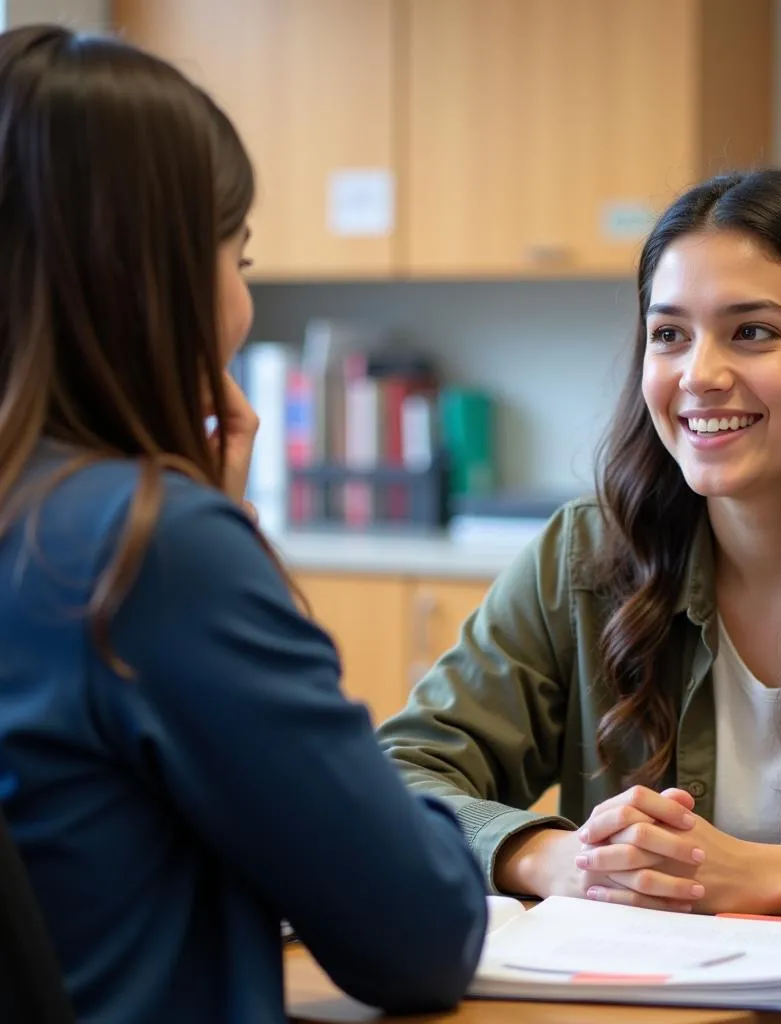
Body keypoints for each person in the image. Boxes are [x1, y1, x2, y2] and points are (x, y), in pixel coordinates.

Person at [378, 167, 781, 1018]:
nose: (700, 375)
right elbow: (395, 777)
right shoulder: (586, 555)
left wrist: (771, 874)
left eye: (753, 332)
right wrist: (546, 857)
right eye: (670, 334)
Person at [0, 23, 487, 1024]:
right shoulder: (148, 548)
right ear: (159, 274)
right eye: (240, 255)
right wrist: (224, 530)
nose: (243, 299)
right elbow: (419, 931)